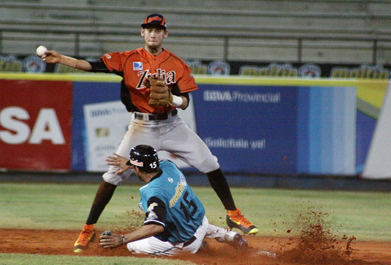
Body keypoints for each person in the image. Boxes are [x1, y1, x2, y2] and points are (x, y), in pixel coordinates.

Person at [38, 13, 257, 253]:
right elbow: (92, 65)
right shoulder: (128, 59)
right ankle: (88, 228)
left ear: (165, 34)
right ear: (142, 32)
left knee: (210, 163)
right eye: (148, 29)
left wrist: (170, 98)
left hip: (173, 125)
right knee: (112, 176)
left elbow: (185, 102)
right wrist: (61, 59)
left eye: (158, 29)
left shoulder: (176, 64)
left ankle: (233, 214)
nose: (153, 33)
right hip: (141, 126)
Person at [99, 145, 248, 255]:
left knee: (133, 245)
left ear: (137, 169)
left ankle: (199, 247)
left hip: (185, 243)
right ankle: (226, 235)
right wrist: (132, 164)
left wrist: (124, 239)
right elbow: (148, 165)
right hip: (202, 220)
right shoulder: (169, 166)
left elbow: (156, 227)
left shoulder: (154, 193)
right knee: (178, 213)